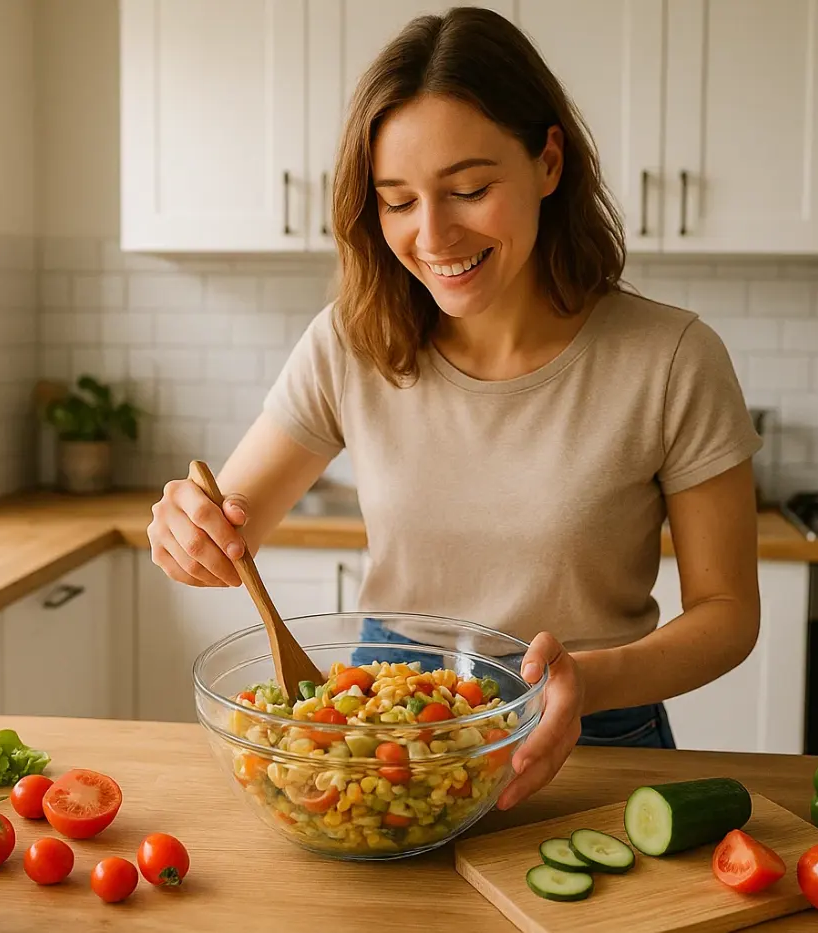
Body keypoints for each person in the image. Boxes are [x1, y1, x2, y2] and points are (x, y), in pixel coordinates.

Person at [146, 7, 762, 812]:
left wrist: (586, 678)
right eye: (397, 201)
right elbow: (232, 528)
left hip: (591, 736)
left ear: (548, 161)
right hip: (381, 739)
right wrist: (190, 532)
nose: (432, 235)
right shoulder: (352, 338)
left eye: (469, 189)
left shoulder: (672, 356)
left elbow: (728, 614)